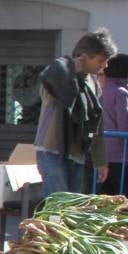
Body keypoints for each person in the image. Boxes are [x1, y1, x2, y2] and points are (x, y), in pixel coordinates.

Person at [34, 30, 114, 198]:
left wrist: (100, 160)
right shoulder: (58, 72)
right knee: (57, 205)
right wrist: (75, 67)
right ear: (84, 56)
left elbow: (96, 124)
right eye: (101, 60)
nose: (104, 66)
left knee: (71, 207)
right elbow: (51, 83)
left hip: (77, 154)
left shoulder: (93, 84)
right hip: (52, 151)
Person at [99, 53, 128, 196]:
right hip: (120, 156)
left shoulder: (104, 90)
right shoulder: (122, 93)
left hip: (104, 154)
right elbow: (126, 127)